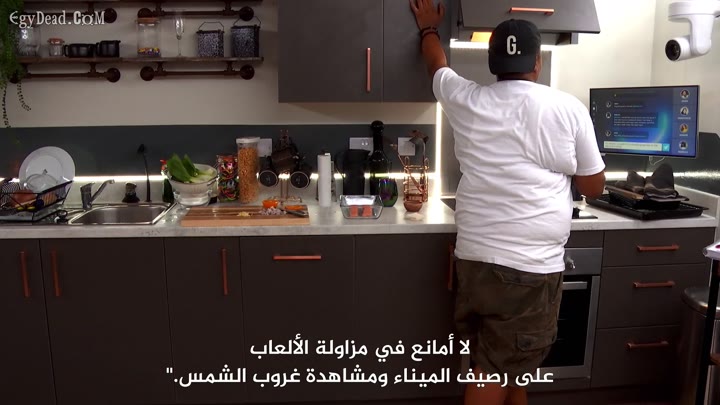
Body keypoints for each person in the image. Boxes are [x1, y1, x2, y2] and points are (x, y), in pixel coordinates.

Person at [409, 1, 606, 405]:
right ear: (537, 63)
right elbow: (594, 186)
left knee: (506, 361)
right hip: (527, 269)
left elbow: (436, 66)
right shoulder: (568, 108)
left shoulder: (467, 99)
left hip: (475, 263)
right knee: (495, 369)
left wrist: (428, 29)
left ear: (492, 62)